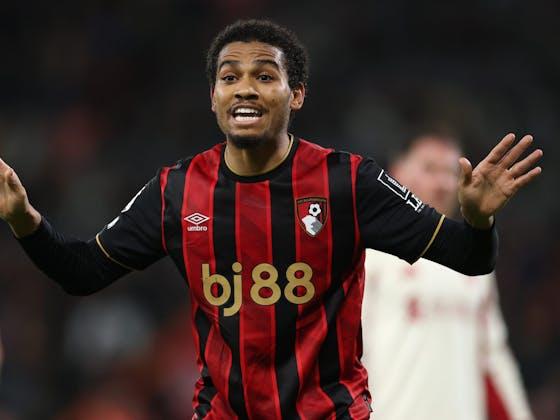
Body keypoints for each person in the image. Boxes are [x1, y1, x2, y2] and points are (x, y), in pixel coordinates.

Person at [0, 19, 542, 419]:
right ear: (214, 97)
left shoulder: (349, 182)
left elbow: (469, 259)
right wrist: (25, 219)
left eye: (264, 75)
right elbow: (81, 272)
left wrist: (478, 220)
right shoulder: (176, 191)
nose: (245, 88)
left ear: (296, 94)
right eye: (229, 76)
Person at [361, 133, 534, 420]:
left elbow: (494, 358)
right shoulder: (371, 254)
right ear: (396, 173)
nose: (442, 184)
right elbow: (346, 351)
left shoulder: (474, 264)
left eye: (451, 173)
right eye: (430, 169)